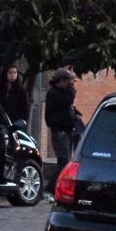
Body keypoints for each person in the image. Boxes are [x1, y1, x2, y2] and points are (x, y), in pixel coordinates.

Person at [44, 67, 77, 197]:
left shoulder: (61, 93)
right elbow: (68, 99)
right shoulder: (54, 93)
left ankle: (55, 188)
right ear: (61, 81)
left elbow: (68, 107)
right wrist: (72, 86)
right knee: (64, 161)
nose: (70, 84)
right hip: (60, 131)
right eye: (68, 81)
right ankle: (50, 188)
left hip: (67, 130)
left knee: (65, 161)